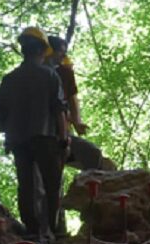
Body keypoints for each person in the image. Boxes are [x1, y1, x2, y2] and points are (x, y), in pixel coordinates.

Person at [0, 27, 69, 241]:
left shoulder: (8, 79)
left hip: (18, 140)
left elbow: (0, 118)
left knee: (26, 185)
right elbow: (59, 110)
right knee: (51, 185)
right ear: (42, 51)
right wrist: (63, 139)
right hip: (45, 138)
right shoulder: (50, 75)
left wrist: (11, 132)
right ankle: (53, 231)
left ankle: (33, 231)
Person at [46, 35, 114, 171]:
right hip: (47, 134)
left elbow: (71, 100)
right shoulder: (40, 75)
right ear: (48, 51)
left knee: (93, 155)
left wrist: (76, 121)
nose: (63, 56)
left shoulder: (64, 72)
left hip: (62, 134)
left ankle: (92, 187)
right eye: (61, 51)